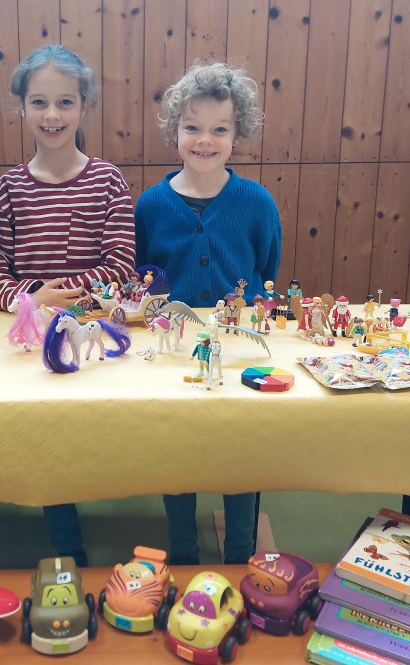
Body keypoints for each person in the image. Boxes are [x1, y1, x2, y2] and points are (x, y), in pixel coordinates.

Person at [0, 45, 135, 565]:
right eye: (39, 102)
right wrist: (29, 299)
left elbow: (120, 264)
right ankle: (66, 541)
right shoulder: (9, 188)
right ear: (22, 107)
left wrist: (61, 293)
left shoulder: (107, 180)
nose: (52, 115)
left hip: (94, 338)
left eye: (65, 102)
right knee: (43, 437)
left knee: (95, 437)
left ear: (84, 106)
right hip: (30, 343)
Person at [135, 62, 281, 566]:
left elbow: (266, 270)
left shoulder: (257, 203)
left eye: (220, 129)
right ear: (174, 131)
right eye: (192, 127)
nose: (204, 140)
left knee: (241, 448)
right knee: (177, 447)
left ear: (238, 135)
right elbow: (146, 275)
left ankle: (240, 551)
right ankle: (181, 548)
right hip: (174, 350)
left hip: (238, 349)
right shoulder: (151, 205)